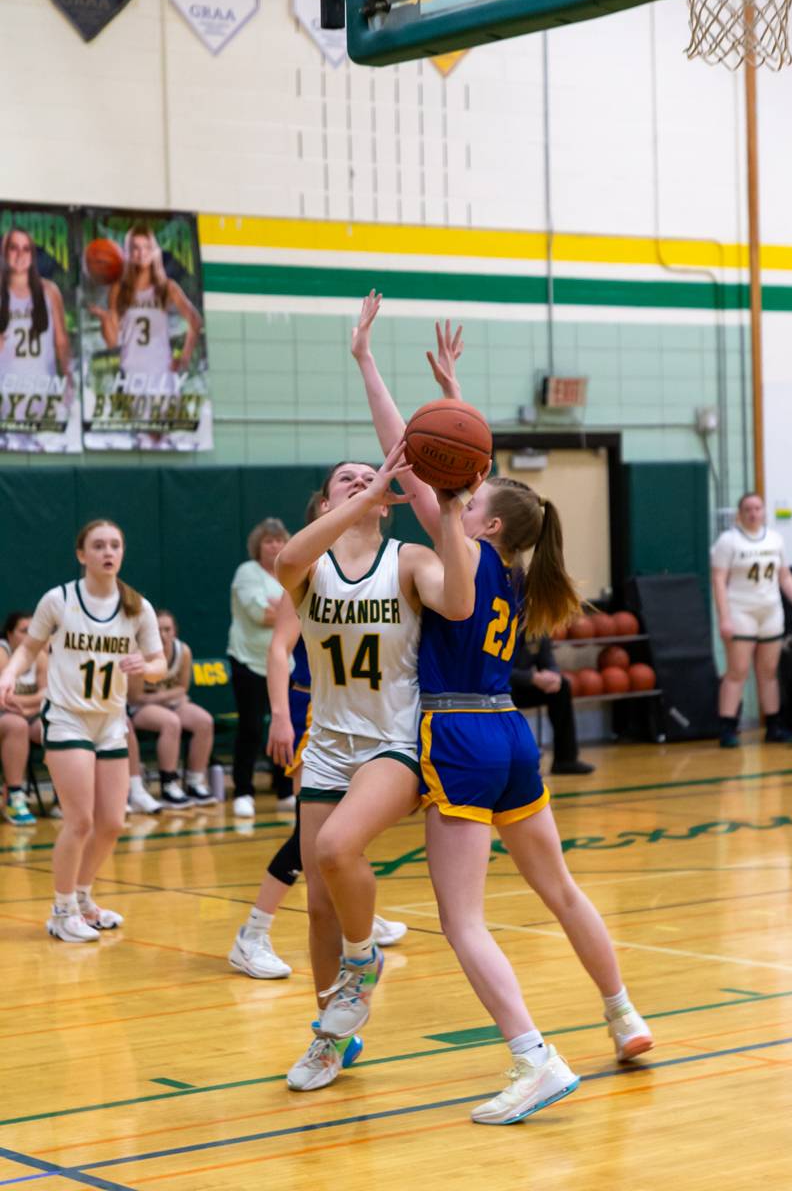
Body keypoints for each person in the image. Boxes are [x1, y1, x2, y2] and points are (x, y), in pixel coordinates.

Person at [355, 292, 652, 1125]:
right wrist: (453, 397)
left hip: (456, 732)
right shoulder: (520, 577)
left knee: (462, 921)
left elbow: (403, 454)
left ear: (484, 518)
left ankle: (534, 1058)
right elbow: (434, 461)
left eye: (468, 496)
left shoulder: (462, 548)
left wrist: (368, 364)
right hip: (510, 735)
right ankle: (624, 1013)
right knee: (559, 888)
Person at [275, 445, 476, 1091]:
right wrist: (362, 500)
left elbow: (461, 605)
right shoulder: (308, 568)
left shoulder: (408, 560)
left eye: (372, 476)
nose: (365, 481)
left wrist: (448, 512)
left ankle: (362, 965)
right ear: (327, 502)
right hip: (328, 743)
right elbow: (284, 560)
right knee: (315, 905)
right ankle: (332, 1039)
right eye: (348, 479)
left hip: (392, 740)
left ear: (389, 507)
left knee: (336, 847)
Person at [229, 492, 407, 980]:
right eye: (347, 486)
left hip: (370, 718)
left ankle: (356, 910)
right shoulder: (309, 571)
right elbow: (277, 650)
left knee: (349, 829)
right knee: (307, 836)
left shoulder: (388, 568)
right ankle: (253, 932)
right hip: (316, 712)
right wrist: (282, 716)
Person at [0, 520, 165, 942]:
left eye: (115, 545)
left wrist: (145, 667)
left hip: (110, 721)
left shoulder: (136, 606)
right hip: (67, 717)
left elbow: (159, 664)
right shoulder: (59, 600)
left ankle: (83, 897)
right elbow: (29, 648)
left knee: (112, 822)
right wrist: (9, 675)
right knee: (79, 820)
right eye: (98, 545)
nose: (108, 552)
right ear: (82, 554)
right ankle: (60, 910)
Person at [88, 222, 202, 437]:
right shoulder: (119, 289)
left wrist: (183, 358)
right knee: (146, 437)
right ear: (128, 253)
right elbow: (113, 342)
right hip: (133, 373)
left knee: (174, 434)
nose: (141, 253)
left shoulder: (168, 287)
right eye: (135, 248)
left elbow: (195, 321)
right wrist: (106, 320)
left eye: (146, 247)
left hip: (161, 371)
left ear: (154, 251)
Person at [711, 491, 792, 748]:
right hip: (741, 611)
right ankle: (727, 727)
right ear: (740, 514)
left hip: (770, 610)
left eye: (758, 508)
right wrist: (724, 617)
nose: (753, 513)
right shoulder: (728, 542)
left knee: (769, 672)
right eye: (748, 509)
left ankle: (774, 726)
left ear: (764, 512)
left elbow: (784, 577)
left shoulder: (775, 539)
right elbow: (718, 580)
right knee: (737, 671)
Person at [227, 517, 296, 818]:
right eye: (269, 541)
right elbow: (261, 614)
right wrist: (284, 609)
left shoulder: (290, 573)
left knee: (284, 726)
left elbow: (297, 612)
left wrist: (279, 607)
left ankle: (284, 789)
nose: (275, 545)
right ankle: (243, 790)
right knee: (252, 727)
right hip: (248, 660)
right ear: (259, 546)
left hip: (283, 663)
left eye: (280, 540)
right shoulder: (247, 573)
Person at [128, 609, 214, 809]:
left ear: (174, 631)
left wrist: (161, 696)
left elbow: (183, 688)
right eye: (158, 630)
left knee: (204, 721)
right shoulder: (139, 654)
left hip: (168, 703)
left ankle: (195, 782)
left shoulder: (183, 651)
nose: (163, 634)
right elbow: (135, 696)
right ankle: (169, 784)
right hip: (139, 708)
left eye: (167, 629)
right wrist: (167, 696)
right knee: (171, 722)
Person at [0, 227, 74, 449]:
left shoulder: (49, 291)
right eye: (14, 248)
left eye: (26, 249)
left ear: (32, 255)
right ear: (4, 253)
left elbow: (61, 341)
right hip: (6, 397)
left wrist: (69, 378)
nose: (20, 255)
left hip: (42, 393)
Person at [510, 634, 595, 775]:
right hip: (496, 689)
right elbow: (495, 671)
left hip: (522, 686)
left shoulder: (538, 630)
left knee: (562, 687)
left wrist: (553, 676)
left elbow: (548, 661)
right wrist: (532, 677)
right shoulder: (502, 625)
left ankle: (565, 760)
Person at [0, 611, 47, 826]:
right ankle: (15, 797)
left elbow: (46, 694)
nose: (29, 636)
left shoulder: (40, 655)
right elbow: (3, 699)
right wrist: (30, 705)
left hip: (29, 714)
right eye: (23, 631)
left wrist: (26, 707)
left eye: (32, 631)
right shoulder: (2, 653)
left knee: (55, 729)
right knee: (17, 726)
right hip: (5, 715)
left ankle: (65, 797)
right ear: (9, 634)